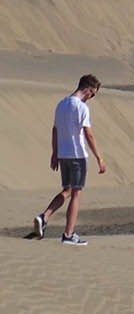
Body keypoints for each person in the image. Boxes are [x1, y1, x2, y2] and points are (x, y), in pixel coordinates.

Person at [33, 73, 107, 245]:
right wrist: (99, 158)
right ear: (88, 90)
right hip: (77, 155)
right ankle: (68, 234)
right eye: (93, 94)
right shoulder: (81, 107)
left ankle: (44, 217)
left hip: (63, 154)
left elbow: (55, 130)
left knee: (67, 190)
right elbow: (88, 133)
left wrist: (55, 153)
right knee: (76, 193)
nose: (91, 98)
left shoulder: (61, 104)